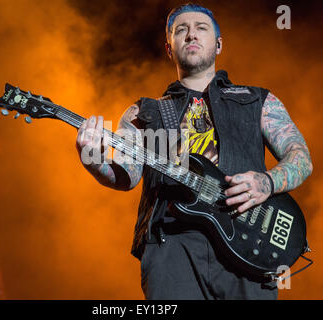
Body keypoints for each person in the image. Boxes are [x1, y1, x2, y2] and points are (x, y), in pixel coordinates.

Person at [75, 3, 313, 300]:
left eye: (201, 28)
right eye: (181, 30)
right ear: (169, 48)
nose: (191, 35)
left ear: (218, 44)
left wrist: (267, 181)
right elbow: (126, 176)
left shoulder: (258, 100)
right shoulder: (143, 112)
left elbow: (300, 156)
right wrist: (94, 161)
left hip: (248, 243)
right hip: (172, 247)